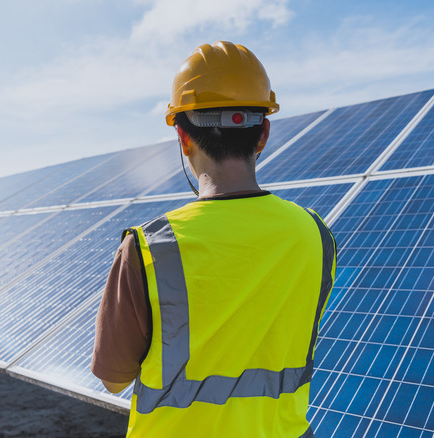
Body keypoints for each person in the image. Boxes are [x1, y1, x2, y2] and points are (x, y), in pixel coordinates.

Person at [91, 41, 336, 438]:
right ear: (264, 134)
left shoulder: (148, 248)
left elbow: (114, 380)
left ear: (183, 139)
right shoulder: (316, 235)